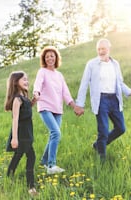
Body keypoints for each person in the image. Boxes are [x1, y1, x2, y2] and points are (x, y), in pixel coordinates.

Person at [75, 38, 131, 162]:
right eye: (98, 49)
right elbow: (84, 84)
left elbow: (120, 83)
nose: (101, 51)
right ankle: (102, 160)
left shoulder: (115, 64)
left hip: (114, 99)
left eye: (103, 49)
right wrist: (80, 104)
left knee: (121, 128)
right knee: (103, 131)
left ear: (109, 49)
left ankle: (98, 145)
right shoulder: (91, 64)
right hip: (101, 100)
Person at [33, 46, 78, 174]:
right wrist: (36, 92)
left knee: (54, 135)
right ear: (44, 59)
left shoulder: (59, 75)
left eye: (52, 56)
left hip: (57, 109)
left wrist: (73, 106)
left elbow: (65, 92)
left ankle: (44, 161)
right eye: (47, 56)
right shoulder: (42, 71)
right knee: (56, 133)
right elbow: (38, 83)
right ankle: (51, 166)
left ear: (56, 57)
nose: (50, 58)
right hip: (45, 106)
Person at [4, 71, 38, 196]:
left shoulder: (24, 98)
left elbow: (28, 107)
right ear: (16, 82)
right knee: (31, 156)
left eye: (27, 79)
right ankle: (31, 187)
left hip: (27, 132)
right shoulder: (17, 100)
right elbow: (15, 119)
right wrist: (14, 138)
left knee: (18, 156)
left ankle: (9, 176)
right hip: (21, 134)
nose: (27, 81)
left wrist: (34, 100)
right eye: (24, 79)